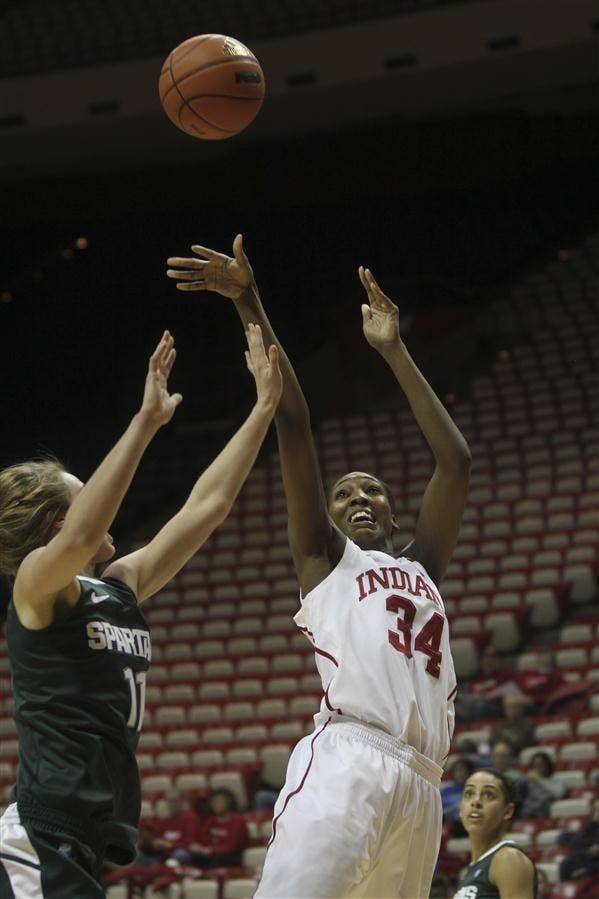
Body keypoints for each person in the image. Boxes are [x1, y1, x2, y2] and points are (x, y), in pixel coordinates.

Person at [166, 235, 472, 898]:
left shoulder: (423, 566)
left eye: (372, 490)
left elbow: (455, 461)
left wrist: (393, 349)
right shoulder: (325, 556)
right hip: (350, 761)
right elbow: (295, 423)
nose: (358, 497)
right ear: (328, 517)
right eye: (344, 493)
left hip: (423, 783)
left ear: (394, 512)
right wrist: (248, 299)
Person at [0, 327, 282, 898]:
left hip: (79, 837)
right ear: (57, 523)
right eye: (85, 493)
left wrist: (264, 407)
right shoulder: (34, 588)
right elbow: (80, 537)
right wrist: (145, 422)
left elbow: (209, 505)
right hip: (38, 837)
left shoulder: (119, 586)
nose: (102, 503)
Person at [453, 768, 537, 898]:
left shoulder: (508, 858)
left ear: (508, 811)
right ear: (460, 809)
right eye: (469, 793)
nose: (476, 802)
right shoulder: (472, 869)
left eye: (488, 795)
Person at [188, 788, 250, 869]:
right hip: (212, 854)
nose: (215, 805)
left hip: (233, 855)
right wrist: (197, 846)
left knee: (218, 860)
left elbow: (231, 847)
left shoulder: (238, 821)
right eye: (213, 802)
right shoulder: (211, 820)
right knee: (194, 858)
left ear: (228, 803)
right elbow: (203, 839)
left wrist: (209, 850)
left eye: (218, 802)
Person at [558, 795, 599, 881]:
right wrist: (589, 852)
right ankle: (566, 890)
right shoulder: (591, 828)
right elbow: (577, 846)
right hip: (589, 860)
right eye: (596, 810)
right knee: (566, 863)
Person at [519, 751, 567, 819]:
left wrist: (539, 780)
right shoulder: (528, 780)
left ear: (547, 765)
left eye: (541, 764)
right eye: (535, 765)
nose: (538, 767)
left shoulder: (555, 779)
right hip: (528, 809)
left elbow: (559, 793)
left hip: (545, 809)